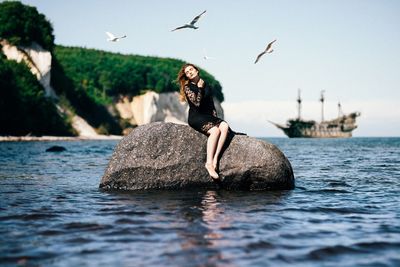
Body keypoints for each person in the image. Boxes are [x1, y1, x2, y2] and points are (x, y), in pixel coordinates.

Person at [177, 63, 230, 180]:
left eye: (191, 69)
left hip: (208, 116)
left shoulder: (207, 85)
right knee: (215, 131)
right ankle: (209, 163)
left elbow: (210, 104)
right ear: (187, 76)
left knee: (224, 126)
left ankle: (216, 159)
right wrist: (200, 88)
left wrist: (216, 118)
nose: (190, 72)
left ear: (196, 70)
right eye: (187, 72)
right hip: (196, 116)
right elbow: (196, 104)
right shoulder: (188, 87)